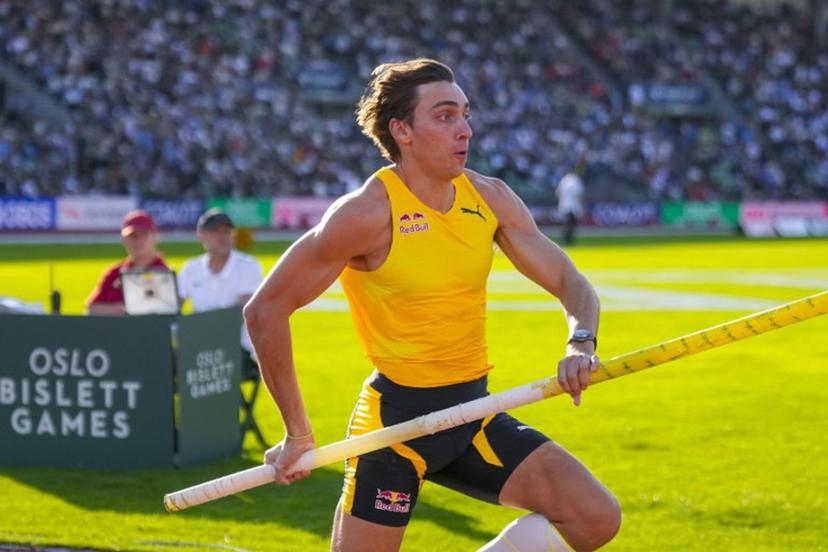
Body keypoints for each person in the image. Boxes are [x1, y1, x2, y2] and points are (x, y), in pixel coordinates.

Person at [244, 59, 620, 552]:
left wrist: (580, 342)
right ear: (402, 130)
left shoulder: (489, 198)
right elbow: (265, 310)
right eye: (444, 116)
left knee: (595, 518)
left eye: (465, 114)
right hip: (394, 428)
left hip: (474, 412)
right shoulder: (366, 214)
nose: (465, 129)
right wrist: (297, 432)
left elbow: (570, 281)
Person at [178, 208, 265, 443]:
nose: (223, 237)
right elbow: (173, 308)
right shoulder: (191, 269)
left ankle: (213, 435)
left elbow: (240, 314)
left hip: (239, 349)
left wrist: (193, 329)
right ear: (201, 235)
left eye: (227, 231)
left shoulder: (248, 266)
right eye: (216, 232)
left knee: (201, 364)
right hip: (197, 348)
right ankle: (182, 433)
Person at [86, 209, 170, 315]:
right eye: (133, 236)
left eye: (144, 234)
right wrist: (129, 309)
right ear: (123, 239)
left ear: (156, 236)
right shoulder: (114, 272)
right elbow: (92, 309)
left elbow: (168, 310)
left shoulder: (165, 274)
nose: (138, 240)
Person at [556, 164, 586, 246]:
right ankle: (568, 241)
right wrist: (582, 207)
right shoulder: (576, 180)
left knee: (566, 224)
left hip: (563, 205)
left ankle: (564, 240)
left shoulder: (564, 179)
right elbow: (579, 195)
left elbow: (558, 193)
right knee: (572, 225)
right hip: (573, 207)